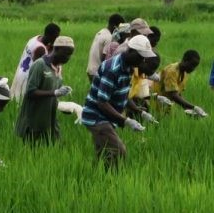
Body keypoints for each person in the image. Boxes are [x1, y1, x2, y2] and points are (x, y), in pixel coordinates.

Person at [80, 34, 155, 169]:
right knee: (119, 151)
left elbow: (122, 95)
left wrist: (139, 112)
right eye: (140, 56)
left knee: (104, 155)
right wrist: (125, 121)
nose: (142, 60)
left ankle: (97, 179)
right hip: (97, 117)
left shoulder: (128, 68)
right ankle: (111, 179)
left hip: (107, 118)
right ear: (131, 51)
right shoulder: (112, 69)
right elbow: (102, 102)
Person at [15, 36, 75, 143]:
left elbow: (51, 93)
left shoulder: (58, 67)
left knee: (55, 150)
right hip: (34, 120)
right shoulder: (40, 65)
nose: (68, 58)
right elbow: (30, 91)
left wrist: (64, 104)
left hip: (50, 120)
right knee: (32, 153)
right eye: (65, 53)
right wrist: (54, 92)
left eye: (70, 55)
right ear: (56, 49)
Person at [10, 23, 60, 101]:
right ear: (50, 36)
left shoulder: (35, 38)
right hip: (27, 77)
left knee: (16, 99)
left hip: (21, 72)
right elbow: (42, 68)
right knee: (22, 103)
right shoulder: (41, 49)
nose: (57, 39)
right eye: (56, 37)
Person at [154, 50, 207, 117]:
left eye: (195, 66)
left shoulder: (185, 73)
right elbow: (173, 94)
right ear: (184, 60)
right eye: (192, 65)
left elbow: (177, 93)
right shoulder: (172, 71)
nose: (193, 69)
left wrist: (187, 109)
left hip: (166, 104)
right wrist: (193, 107)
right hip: (156, 101)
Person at [87, 14, 124, 83]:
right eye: (119, 28)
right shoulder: (109, 37)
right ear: (115, 26)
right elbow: (105, 59)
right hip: (97, 72)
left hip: (91, 69)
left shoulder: (101, 32)